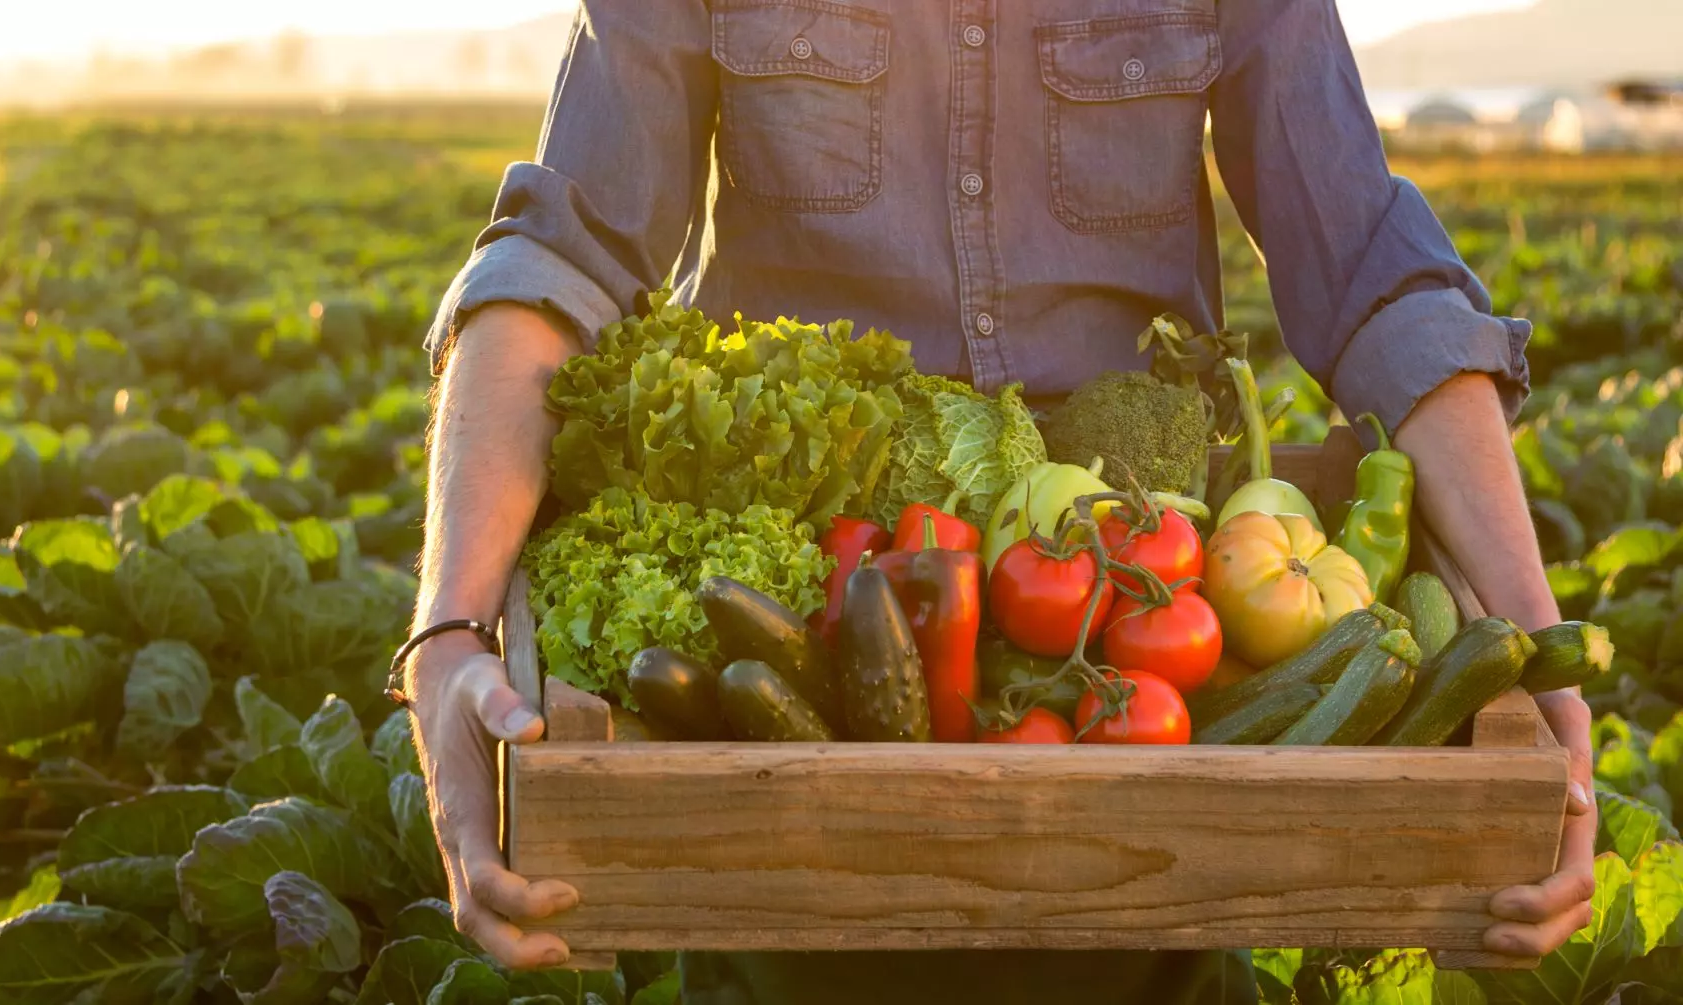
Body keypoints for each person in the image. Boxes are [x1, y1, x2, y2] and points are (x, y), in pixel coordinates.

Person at [396, 1, 1597, 1001]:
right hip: (806, 641)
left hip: (1139, 622)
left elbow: (1377, 276)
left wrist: (1536, 658)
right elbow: (557, 258)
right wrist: (447, 633)